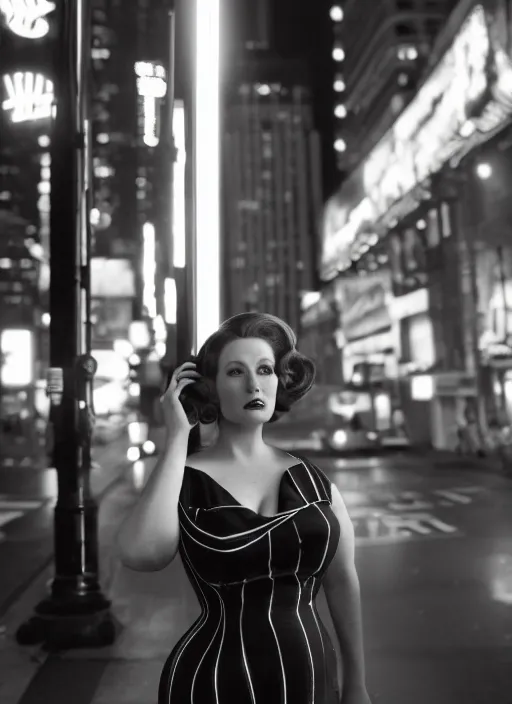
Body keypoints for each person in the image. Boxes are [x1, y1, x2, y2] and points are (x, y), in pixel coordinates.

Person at [116, 312, 371, 704]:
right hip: (213, 680)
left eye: (265, 369)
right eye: (235, 372)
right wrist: (178, 439)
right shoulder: (182, 478)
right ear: (212, 389)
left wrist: (357, 684)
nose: (254, 384)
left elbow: (342, 582)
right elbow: (141, 553)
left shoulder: (314, 482)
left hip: (312, 678)